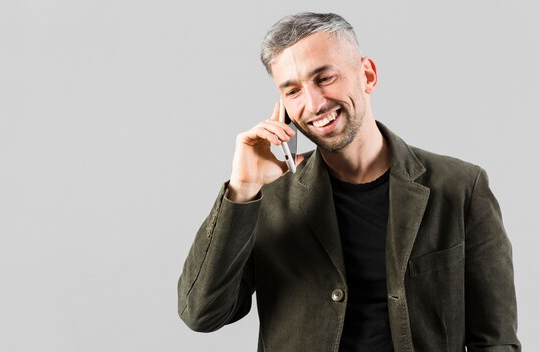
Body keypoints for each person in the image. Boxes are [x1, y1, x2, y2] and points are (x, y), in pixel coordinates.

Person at [177, 12, 520, 352]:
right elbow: (202, 314)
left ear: (367, 74)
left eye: (324, 78)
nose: (313, 103)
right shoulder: (266, 196)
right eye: (293, 91)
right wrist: (242, 188)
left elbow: (495, 340)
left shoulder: (460, 186)